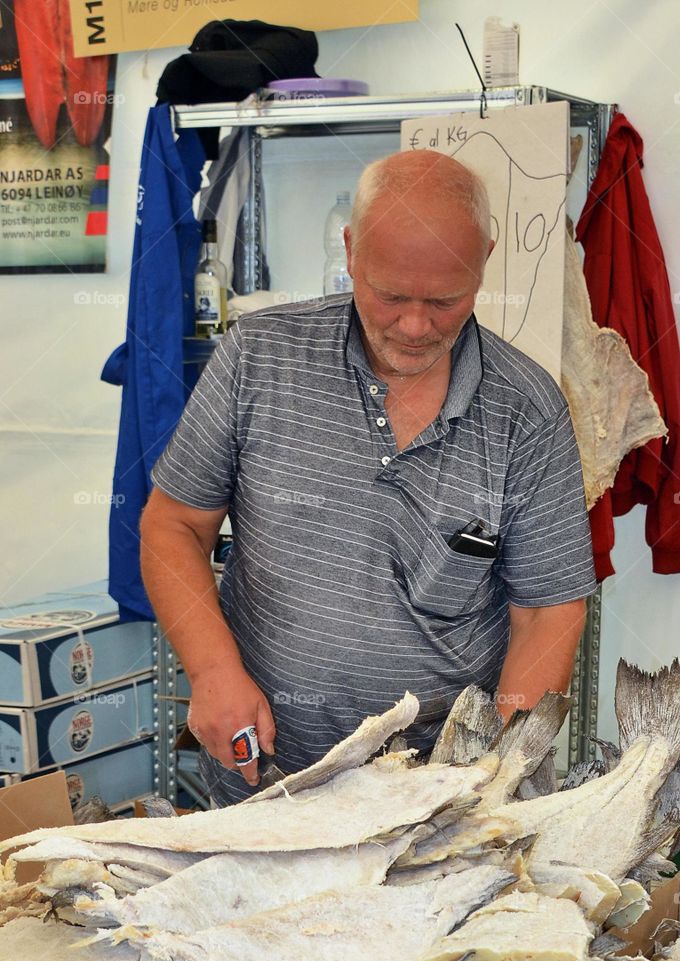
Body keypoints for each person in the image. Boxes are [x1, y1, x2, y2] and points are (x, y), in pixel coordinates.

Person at [140, 150, 596, 806]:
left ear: (485, 259)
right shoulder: (257, 358)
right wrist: (212, 671)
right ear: (349, 251)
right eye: (389, 296)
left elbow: (546, 613)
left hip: (435, 788)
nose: (414, 327)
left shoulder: (526, 408)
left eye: (444, 300)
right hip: (266, 779)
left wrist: (492, 771)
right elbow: (173, 525)